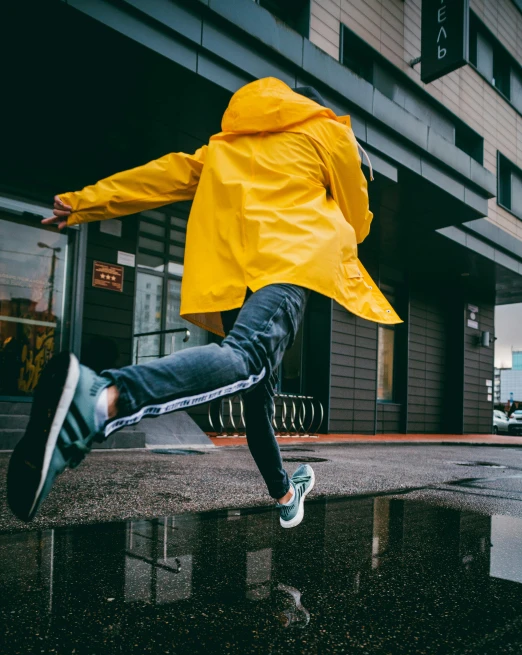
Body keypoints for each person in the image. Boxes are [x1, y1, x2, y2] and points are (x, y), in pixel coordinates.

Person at [7, 77, 401, 524]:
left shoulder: (224, 147)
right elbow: (358, 221)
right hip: (288, 269)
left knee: (256, 395)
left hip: (238, 284)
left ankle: (286, 493)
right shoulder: (329, 133)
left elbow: (159, 177)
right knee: (250, 362)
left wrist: (82, 203)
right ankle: (100, 400)